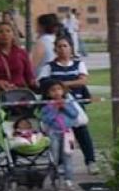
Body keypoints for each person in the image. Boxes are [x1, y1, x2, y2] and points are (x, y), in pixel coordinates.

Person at [37, 36, 96, 175]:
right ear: (55, 49)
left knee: (82, 132)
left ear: (71, 48)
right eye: (59, 46)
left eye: (65, 46)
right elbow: (43, 84)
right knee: (59, 135)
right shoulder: (49, 67)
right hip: (56, 108)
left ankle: (90, 161)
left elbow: (82, 81)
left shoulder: (78, 64)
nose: (63, 49)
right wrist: (64, 86)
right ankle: (60, 164)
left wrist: (60, 85)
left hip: (75, 104)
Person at [38, 79, 84, 189]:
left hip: (67, 133)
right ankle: (54, 178)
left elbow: (74, 114)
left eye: (59, 89)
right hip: (53, 133)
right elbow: (46, 119)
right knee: (54, 156)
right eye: (53, 90)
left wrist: (64, 107)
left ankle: (69, 180)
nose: (57, 92)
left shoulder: (68, 102)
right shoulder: (46, 106)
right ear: (48, 93)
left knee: (67, 156)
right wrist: (54, 109)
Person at [0, 22, 38, 95]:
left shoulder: (21, 53)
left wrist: (36, 83)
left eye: (8, 31)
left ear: (13, 34)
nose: (5, 34)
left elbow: (29, 76)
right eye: (0, 31)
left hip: (20, 92)